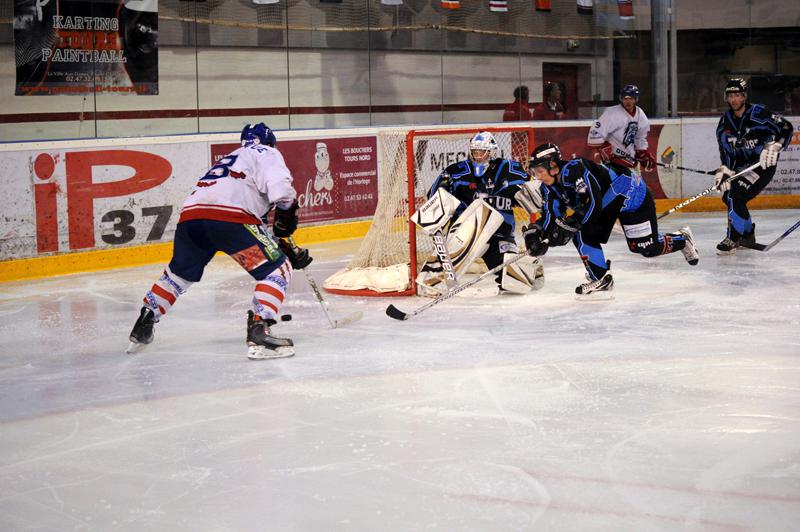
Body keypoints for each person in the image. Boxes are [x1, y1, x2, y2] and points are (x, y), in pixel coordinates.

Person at [127, 123, 312, 360]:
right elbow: (281, 191)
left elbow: (255, 226)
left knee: (178, 275)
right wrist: (287, 211)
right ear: (270, 143)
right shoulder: (266, 152)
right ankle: (259, 330)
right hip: (230, 221)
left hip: (192, 220)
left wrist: (277, 244)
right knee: (277, 269)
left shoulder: (230, 160)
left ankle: (146, 319)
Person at [523, 143, 699, 298]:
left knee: (646, 247)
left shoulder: (575, 169)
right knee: (587, 232)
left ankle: (682, 240)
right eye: (535, 172)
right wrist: (538, 232)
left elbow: (594, 203)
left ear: (553, 165)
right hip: (611, 204)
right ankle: (601, 277)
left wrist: (573, 222)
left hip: (632, 194)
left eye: (540, 171)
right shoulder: (548, 188)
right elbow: (550, 215)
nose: (538, 176)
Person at [416, 131, 544, 295]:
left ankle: (532, 270)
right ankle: (433, 280)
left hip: (500, 232)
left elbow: (536, 195)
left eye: (481, 152)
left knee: (514, 282)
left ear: (491, 152)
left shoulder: (509, 169)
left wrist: (531, 192)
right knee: (444, 265)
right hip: (466, 231)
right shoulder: (457, 171)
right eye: (474, 151)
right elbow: (435, 196)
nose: (477, 156)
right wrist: (437, 209)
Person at [713, 78, 794, 254]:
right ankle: (748, 233)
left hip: (762, 166)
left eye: (737, 95)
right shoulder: (724, 123)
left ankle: (733, 238)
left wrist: (776, 145)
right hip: (742, 168)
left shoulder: (759, 114)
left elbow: (786, 127)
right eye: (730, 96)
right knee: (728, 196)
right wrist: (725, 169)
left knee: (734, 195)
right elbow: (726, 152)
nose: (734, 99)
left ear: (744, 96)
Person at [586, 84, 656, 173]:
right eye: (625, 98)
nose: (628, 101)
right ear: (621, 99)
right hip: (613, 163)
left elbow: (640, 137)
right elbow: (595, 133)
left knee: (635, 181)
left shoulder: (640, 115)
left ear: (636, 99)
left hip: (631, 162)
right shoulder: (612, 113)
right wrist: (604, 148)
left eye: (631, 98)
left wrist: (643, 153)